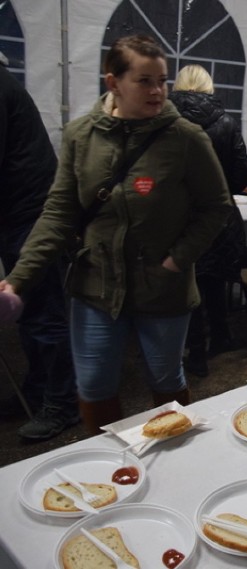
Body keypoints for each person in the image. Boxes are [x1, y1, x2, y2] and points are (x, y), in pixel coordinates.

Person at [0, 34, 232, 433]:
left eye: (162, 80)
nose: (158, 90)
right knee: (93, 386)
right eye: (144, 81)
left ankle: (179, 463)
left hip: (163, 288)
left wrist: (177, 259)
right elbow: (59, 212)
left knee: (165, 380)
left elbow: (216, 207)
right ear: (113, 83)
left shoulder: (186, 138)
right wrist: (17, 281)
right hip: (95, 287)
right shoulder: (81, 136)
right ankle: (111, 473)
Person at [0, 62, 79, 440]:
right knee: (31, 314)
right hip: (17, 213)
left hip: (31, 215)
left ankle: (63, 403)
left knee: (44, 316)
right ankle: (37, 389)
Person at [170, 64, 247, 376]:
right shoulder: (227, 122)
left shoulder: (166, 121)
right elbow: (242, 173)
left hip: (179, 216)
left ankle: (196, 353)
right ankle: (221, 337)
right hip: (218, 215)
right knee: (214, 278)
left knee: (187, 284)